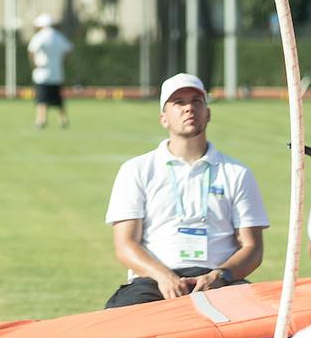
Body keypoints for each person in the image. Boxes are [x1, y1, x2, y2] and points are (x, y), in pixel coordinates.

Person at [104, 73, 268, 309]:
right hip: (152, 280)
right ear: (164, 118)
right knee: (118, 328)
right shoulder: (136, 170)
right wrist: (163, 276)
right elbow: (125, 244)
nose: (189, 108)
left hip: (220, 280)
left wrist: (221, 276)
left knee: (268, 326)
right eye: (178, 103)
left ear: (208, 113)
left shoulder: (237, 172)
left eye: (196, 101)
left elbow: (252, 247)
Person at [27, 13, 73, 129]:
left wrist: (34, 64)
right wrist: (62, 62)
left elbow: (32, 50)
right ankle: (63, 120)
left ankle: (41, 120)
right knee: (58, 99)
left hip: (42, 73)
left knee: (42, 98)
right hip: (57, 73)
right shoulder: (59, 36)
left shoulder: (39, 36)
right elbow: (69, 49)